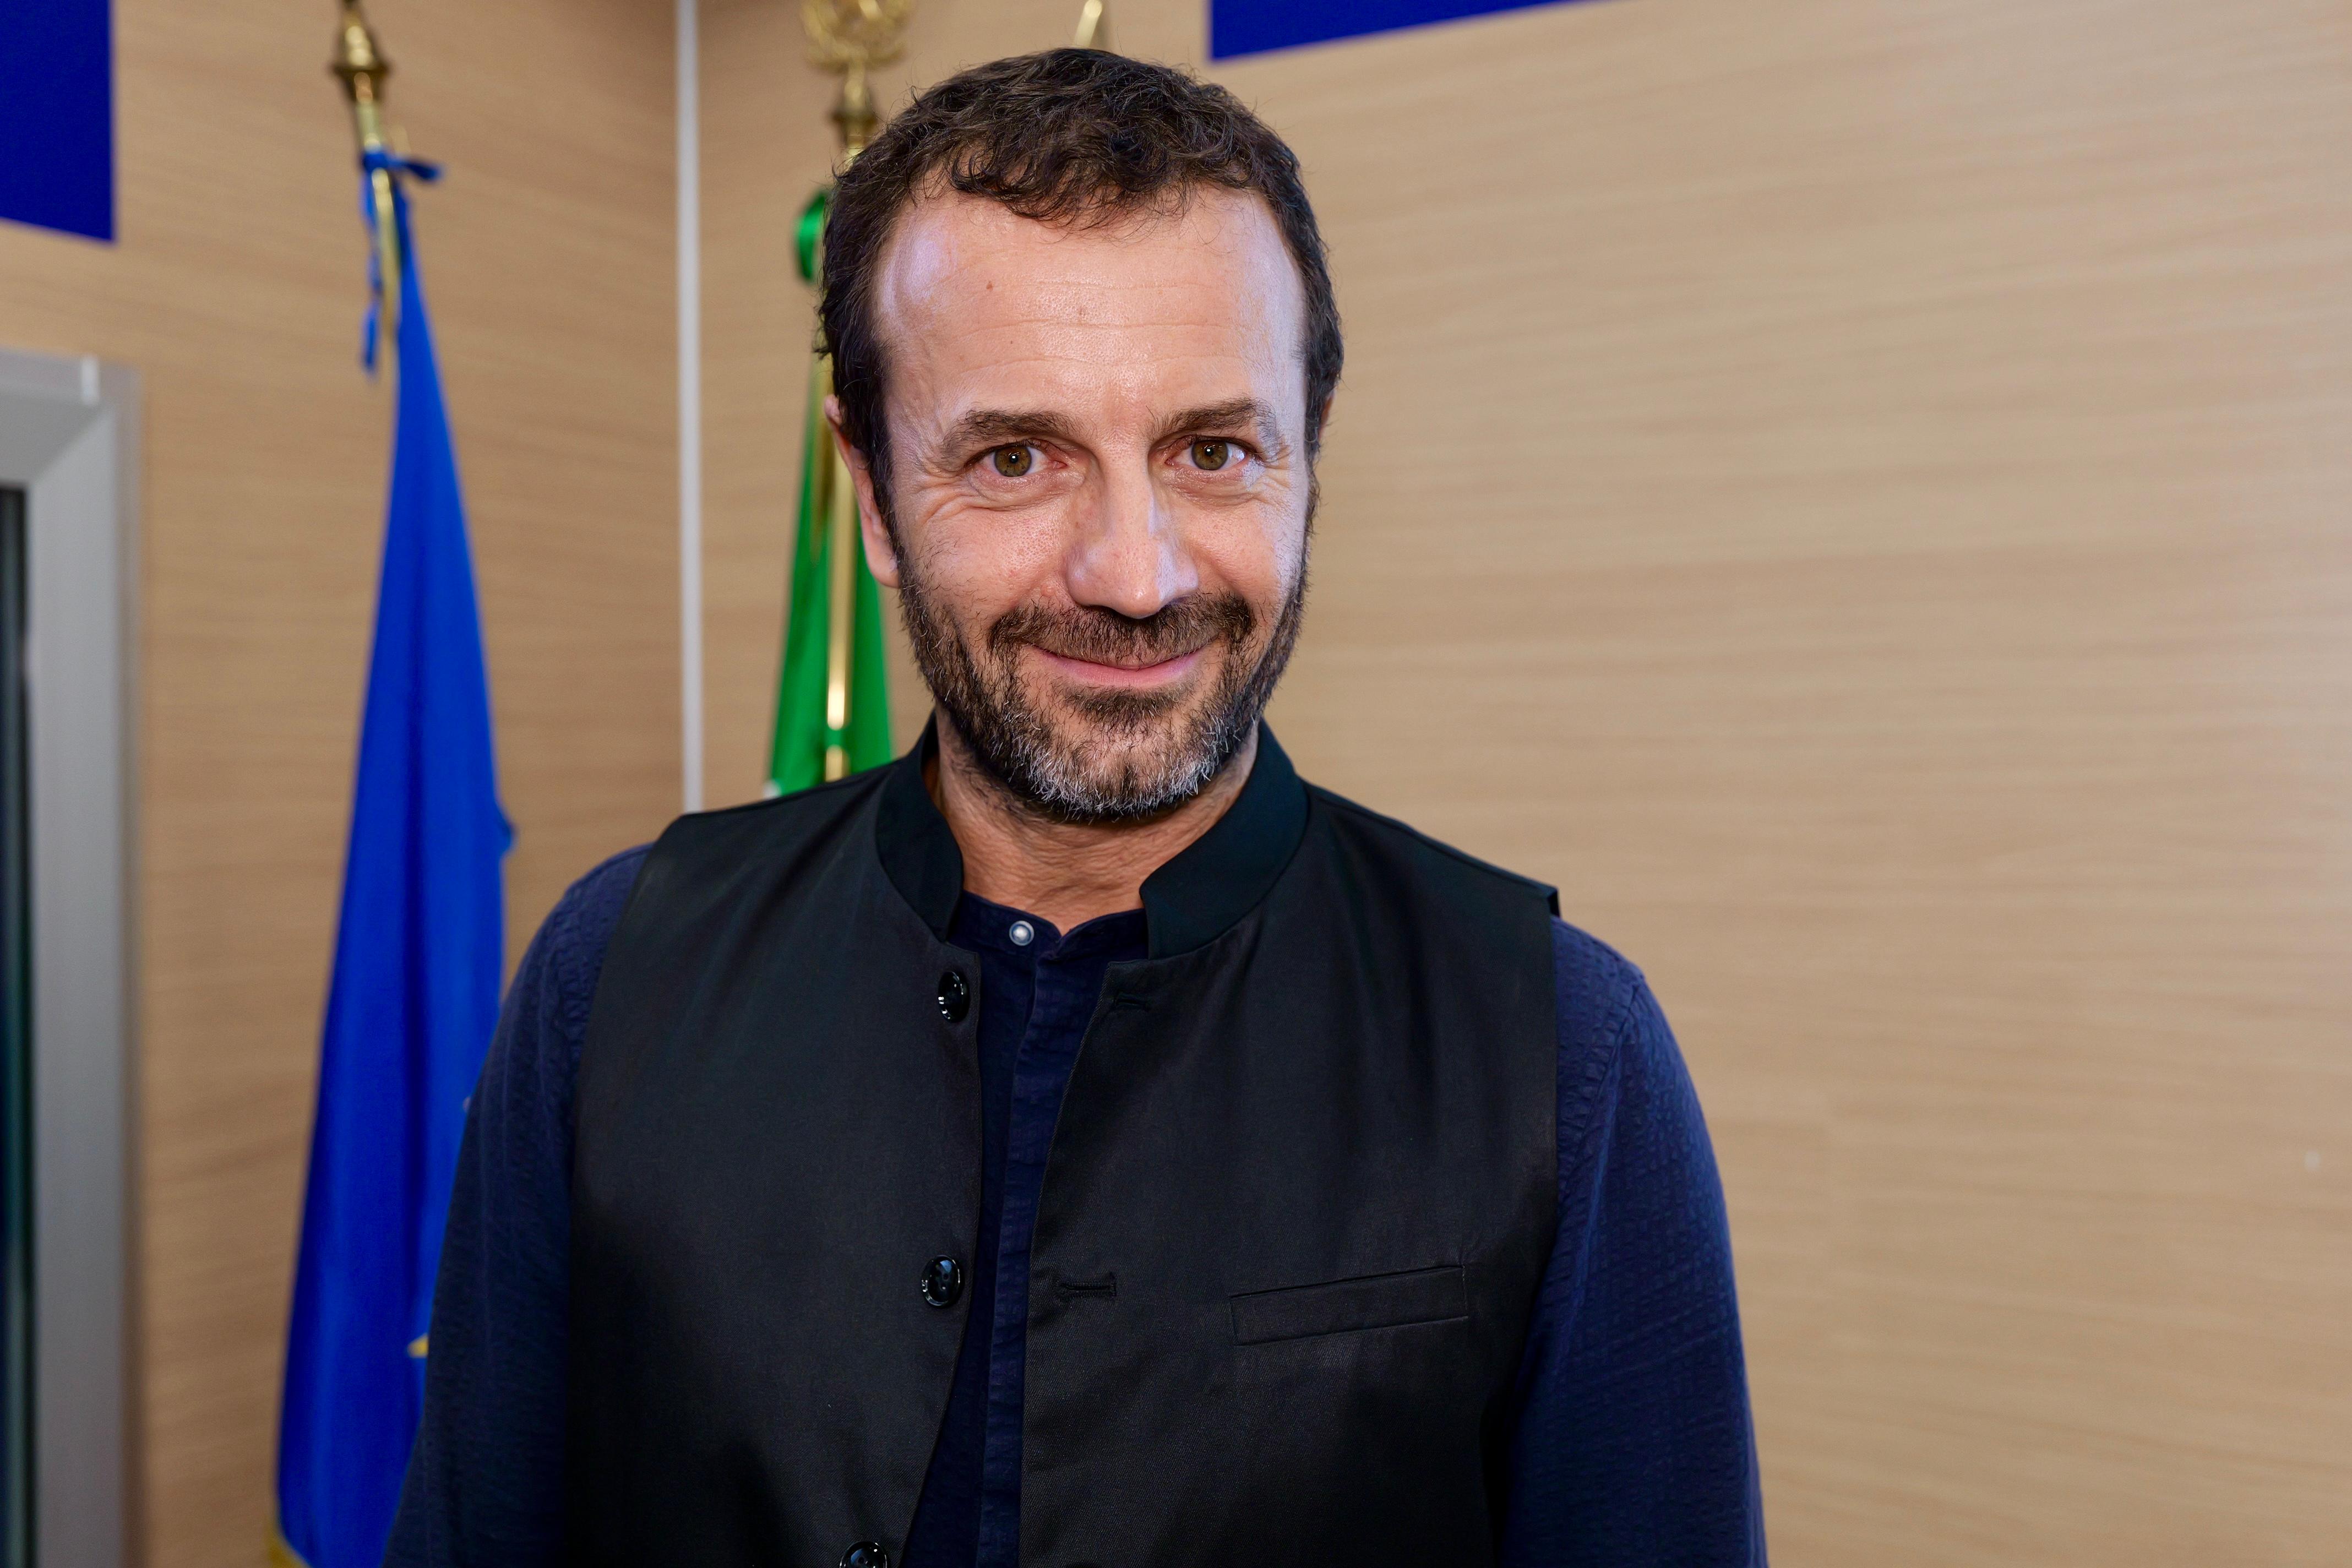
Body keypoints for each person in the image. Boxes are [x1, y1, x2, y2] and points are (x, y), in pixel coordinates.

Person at [385, 48, 1764, 1568]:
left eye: (1213, 450)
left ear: (1309, 461)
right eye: (1016, 458)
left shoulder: (1566, 1053)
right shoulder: (612, 980)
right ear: (874, 495)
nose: (1135, 574)